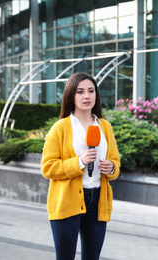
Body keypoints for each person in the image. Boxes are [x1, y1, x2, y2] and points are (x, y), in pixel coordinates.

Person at [41, 72, 120, 260]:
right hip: (67, 201)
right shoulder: (60, 127)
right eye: (80, 91)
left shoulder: (105, 127)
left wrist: (112, 168)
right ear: (71, 95)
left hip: (97, 199)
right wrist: (79, 162)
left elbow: (115, 162)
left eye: (91, 91)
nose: (87, 96)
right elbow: (48, 167)